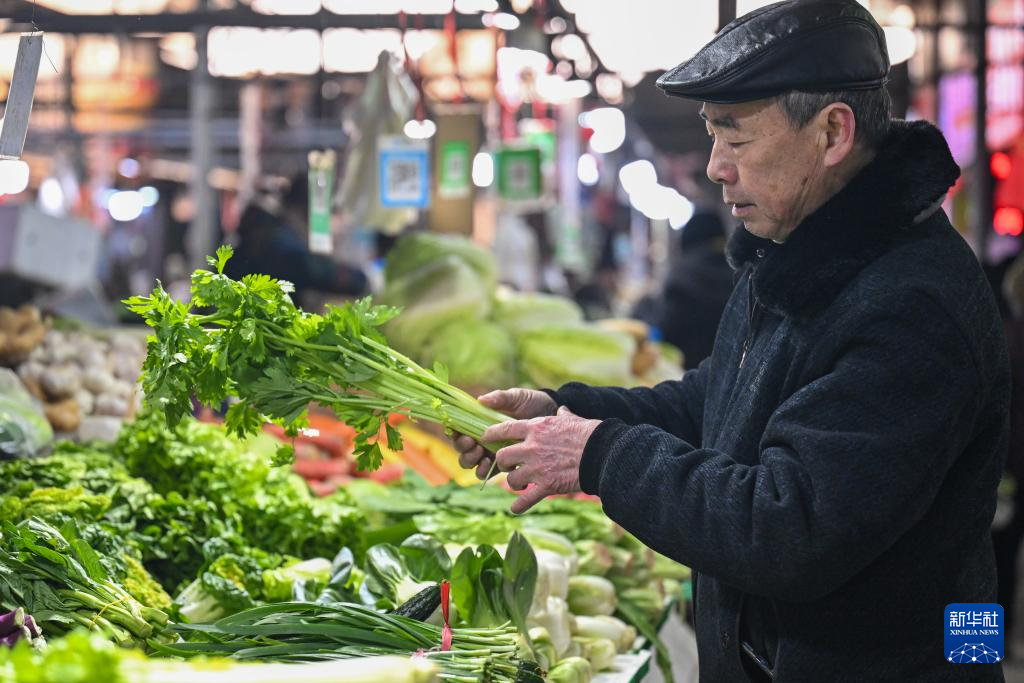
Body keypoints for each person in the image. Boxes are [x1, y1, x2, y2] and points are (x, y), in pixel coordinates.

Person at [455, 1, 1010, 680]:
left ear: (832, 133)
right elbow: (714, 403)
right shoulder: (796, 254)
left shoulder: (911, 306)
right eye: (711, 136)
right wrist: (563, 413)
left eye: (736, 138)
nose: (715, 167)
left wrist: (598, 455)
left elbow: (789, 527)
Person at [225, 174, 368, 306]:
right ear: (307, 212)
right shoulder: (281, 243)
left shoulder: (268, 227)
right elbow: (315, 270)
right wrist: (364, 279)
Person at [658, 210, 734, 369]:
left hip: (687, 375)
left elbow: (666, 331)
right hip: (728, 375)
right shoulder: (741, 275)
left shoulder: (681, 277)